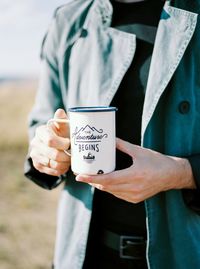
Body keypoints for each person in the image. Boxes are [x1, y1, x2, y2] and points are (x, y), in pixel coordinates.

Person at [24, 0, 200, 268]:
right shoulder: (69, 20)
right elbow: (44, 120)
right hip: (83, 253)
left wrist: (182, 173)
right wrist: (46, 151)